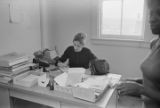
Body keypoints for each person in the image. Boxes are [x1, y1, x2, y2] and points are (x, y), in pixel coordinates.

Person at [117, 0, 160, 107]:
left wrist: (141, 89)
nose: (151, 19)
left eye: (159, 13)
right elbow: (155, 79)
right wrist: (135, 81)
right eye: (150, 13)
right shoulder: (154, 43)